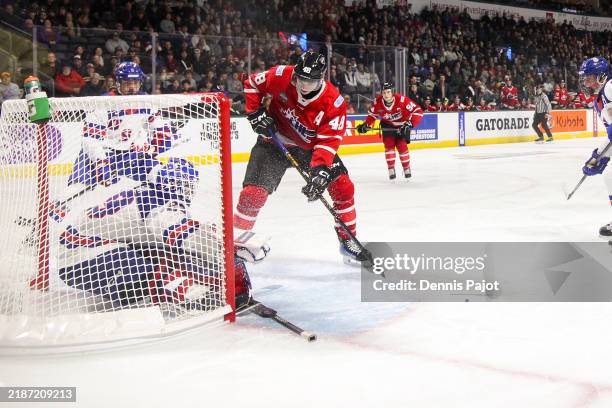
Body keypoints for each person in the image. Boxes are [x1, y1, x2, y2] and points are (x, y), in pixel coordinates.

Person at [56, 159, 262, 310]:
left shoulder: (149, 193)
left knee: (167, 257)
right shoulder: (156, 202)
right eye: (187, 184)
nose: (189, 190)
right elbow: (181, 234)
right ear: (176, 183)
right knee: (158, 270)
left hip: (86, 253)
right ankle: (194, 298)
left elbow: (176, 235)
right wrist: (225, 250)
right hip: (82, 259)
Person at [234, 50, 368, 263]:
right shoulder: (282, 75)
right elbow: (252, 83)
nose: (303, 85)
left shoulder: (333, 103)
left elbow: (328, 141)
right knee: (252, 195)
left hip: (310, 149)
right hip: (273, 142)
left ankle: (347, 239)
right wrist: (254, 112)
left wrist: (320, 172)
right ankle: (234, 244)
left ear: (321, 79)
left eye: (310, 81)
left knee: (343, 187)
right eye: (300, 79)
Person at [68, 61, 176, 188]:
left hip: (131, 155)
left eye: (135, 83)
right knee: (76, 190)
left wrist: (160, 140)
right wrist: (101, 162)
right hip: (102, 153)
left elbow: (159, 126)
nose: (132, 88)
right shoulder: (104, 104)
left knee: (163, 177)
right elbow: (90, 139)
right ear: (118, 83)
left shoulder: (144, 101)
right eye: (128, 83)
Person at [356, 82, 424, 180]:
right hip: (387, 125)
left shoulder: (402, 100)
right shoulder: (377, 102)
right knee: (389, 146)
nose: (386, 95)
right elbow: (372, 115)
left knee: (402, 146)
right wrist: (366, 125)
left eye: (388, 92)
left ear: (392, 92)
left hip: (402, 125)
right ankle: (391, 168)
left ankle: (406, 167)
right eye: (384, 93)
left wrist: (410, 123)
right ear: (382, 93)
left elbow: (418, 111)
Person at [577, 57, 612, 239]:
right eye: (585, 78)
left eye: (589, 77)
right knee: (609, 177)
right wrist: (599, 156)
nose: (585, 82)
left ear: (602, 76)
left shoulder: (610, 86)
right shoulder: (601, 97)